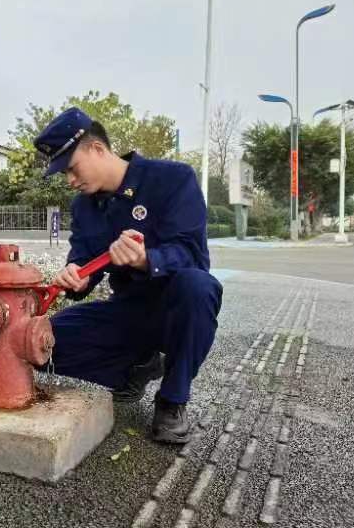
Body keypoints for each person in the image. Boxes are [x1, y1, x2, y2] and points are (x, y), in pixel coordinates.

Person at [33, 107, 223, 444]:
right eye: (64, 174)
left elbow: (192, 255)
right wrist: (75, 277)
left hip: (174, 307)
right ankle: (137, 367)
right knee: (43, 345)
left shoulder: (173, 179)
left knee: (199, 287)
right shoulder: (84, 206)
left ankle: (172, 400)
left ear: (97, 149)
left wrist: (145, 259)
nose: (71, 181)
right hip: (127, 310)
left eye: (71, 169)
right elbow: (83, 260)